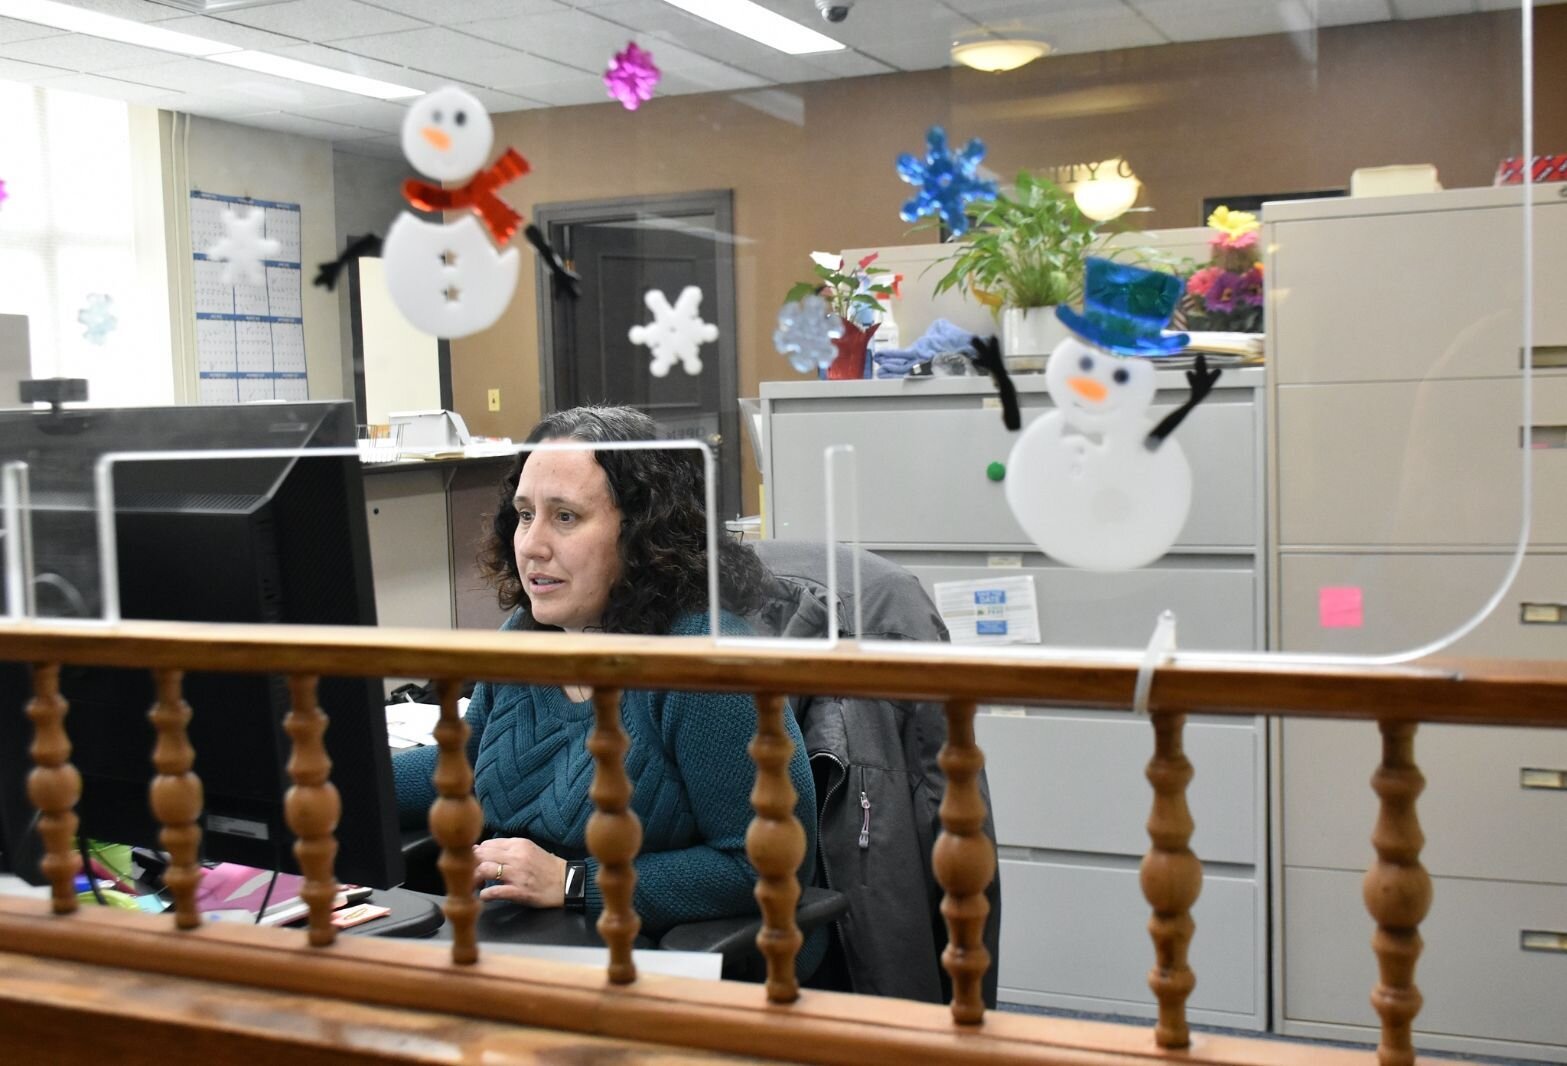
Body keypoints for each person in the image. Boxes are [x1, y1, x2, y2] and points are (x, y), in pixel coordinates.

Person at [392, 406, 821, 971]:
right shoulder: (526, 638)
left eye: (565, 517)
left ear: (643, 532)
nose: (532, 545)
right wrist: (326, 769)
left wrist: (574, 881)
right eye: (524, 515)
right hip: (529, 935)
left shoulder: (700, 662)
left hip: (663, 951)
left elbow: (766, 864)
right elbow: (463, 769)